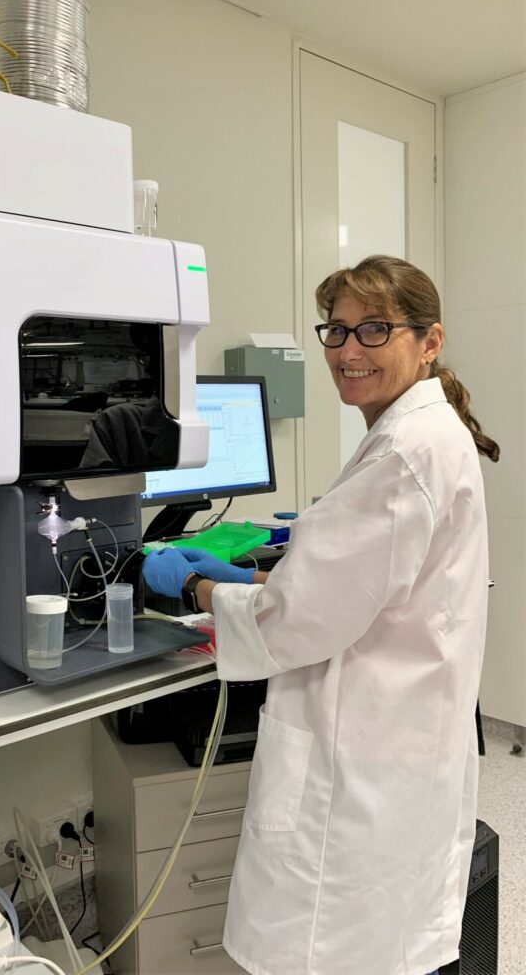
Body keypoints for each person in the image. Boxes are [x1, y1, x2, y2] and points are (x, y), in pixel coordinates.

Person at [142, 256, 499, 975]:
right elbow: (367, 581)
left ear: (428, 341)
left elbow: (294, 623)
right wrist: (267, 573)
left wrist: (195, 589)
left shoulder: (403, 451)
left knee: (338, 948)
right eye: (335, 331)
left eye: (374, 329)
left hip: (365, 761)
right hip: (404, 742)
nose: (348, 350)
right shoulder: (424, 433)